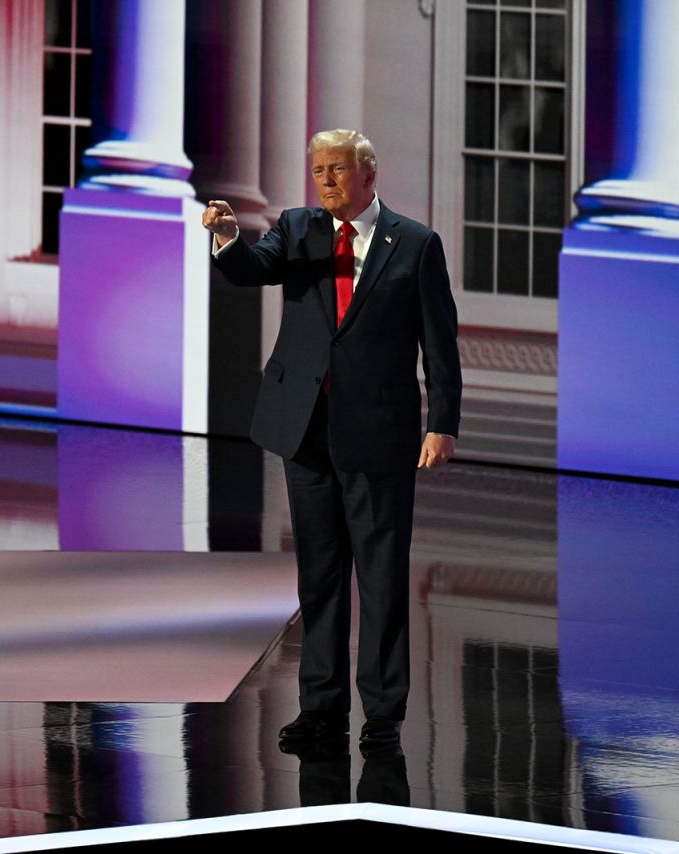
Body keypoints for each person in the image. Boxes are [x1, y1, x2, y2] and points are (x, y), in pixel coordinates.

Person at [202, 129, 461, 751]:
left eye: (336, 169)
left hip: (380, 434)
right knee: (318, 577)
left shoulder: (417, 245)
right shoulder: (299, 229)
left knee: (380, 578)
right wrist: (227, 237)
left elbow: (439, 344)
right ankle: (320, 709)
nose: (325, 180)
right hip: (306, 432)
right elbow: (249, 271)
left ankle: (382, 715)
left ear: (368, 174)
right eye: (317, 170)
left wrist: (442, 423)